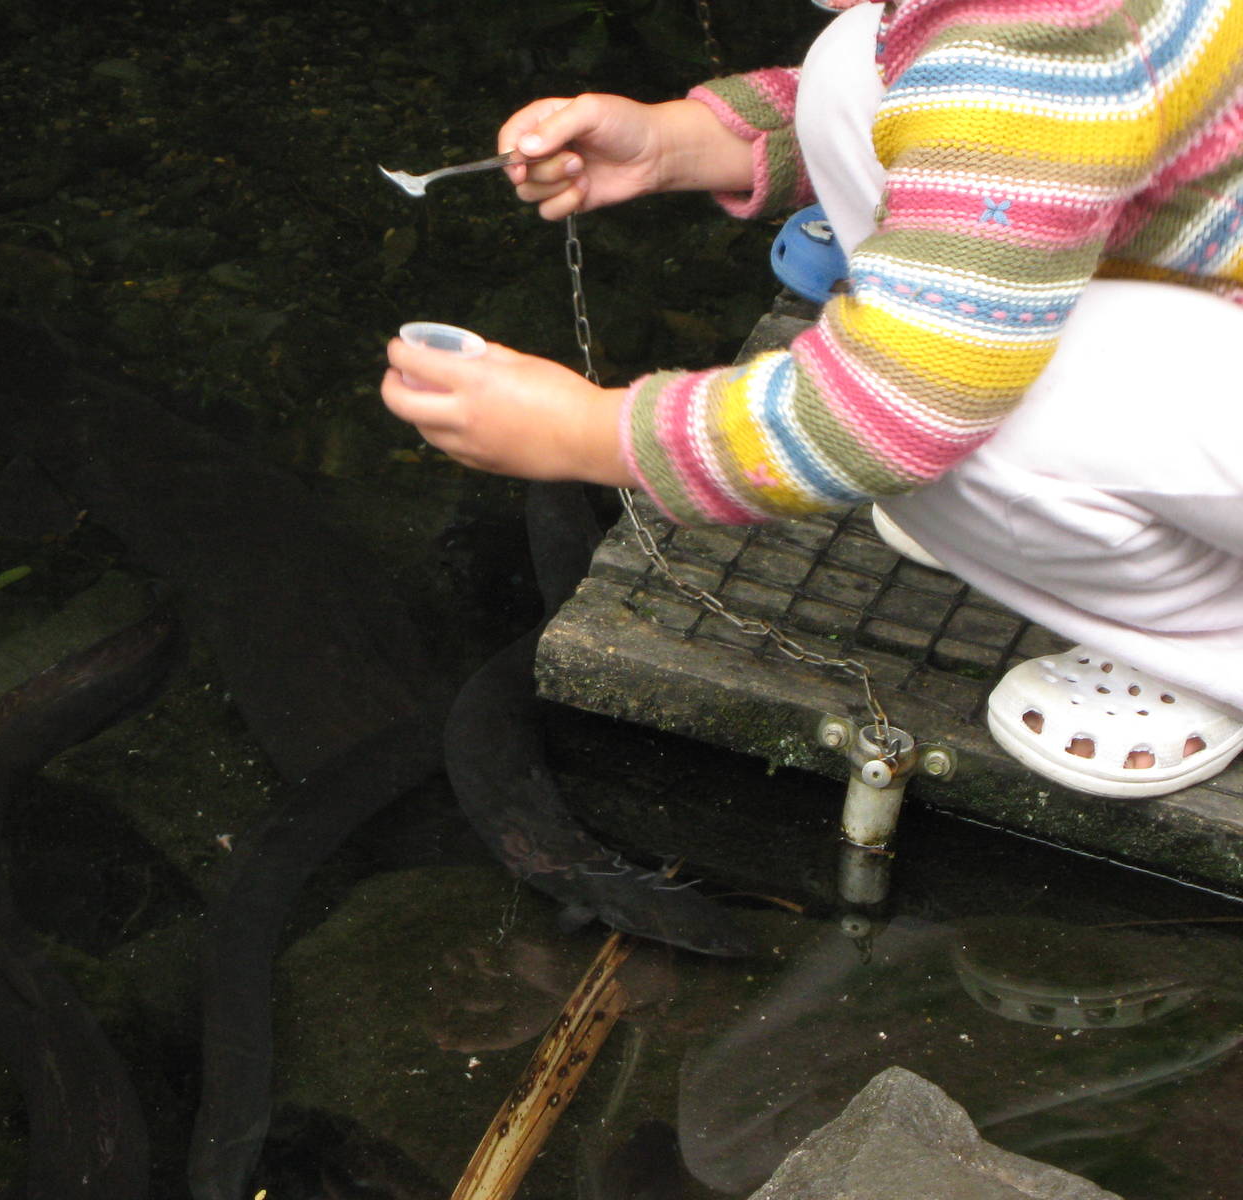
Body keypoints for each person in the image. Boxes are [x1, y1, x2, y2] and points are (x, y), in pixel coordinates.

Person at [380, 0, 1243, 799]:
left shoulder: (1040, 48)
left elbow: (894, 410)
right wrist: (673, 143)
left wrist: (590, 433)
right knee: (849, 65)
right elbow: (963, 120)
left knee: (966, 425)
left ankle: (1209, 648)